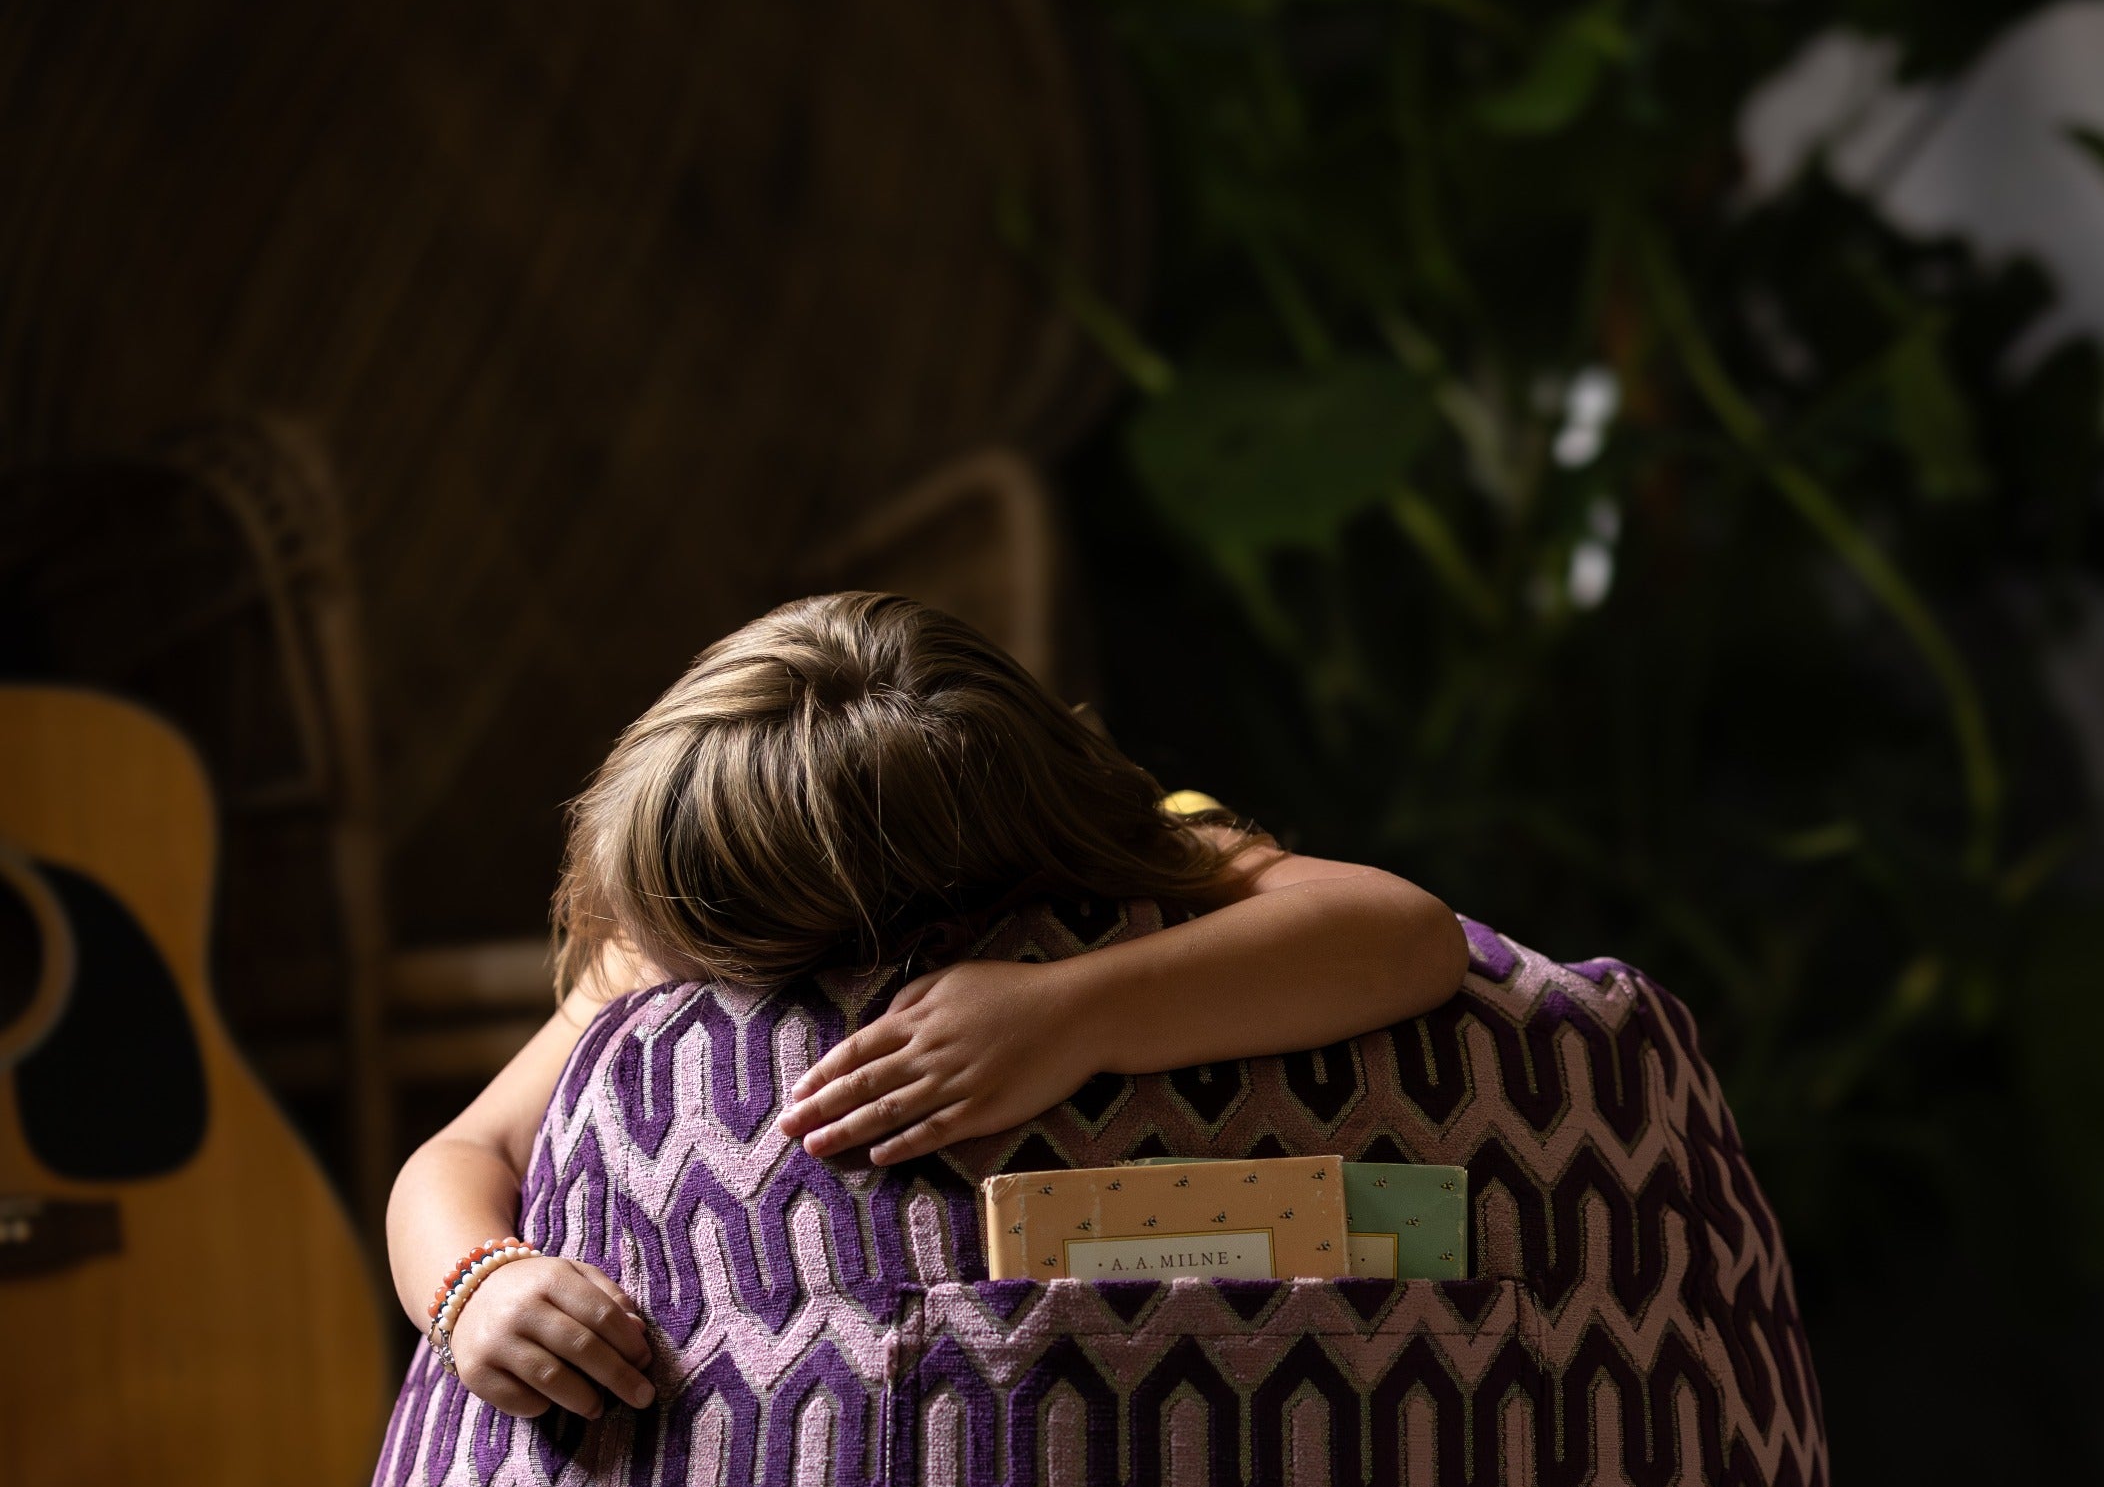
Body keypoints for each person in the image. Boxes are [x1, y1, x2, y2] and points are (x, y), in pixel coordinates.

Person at [385, 591, 1469, 1422]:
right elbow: (465, 1149)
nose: (646, 960)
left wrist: (1075, 1008)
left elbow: (1410, 932)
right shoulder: (658, 932)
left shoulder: (1148, 846)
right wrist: (475, 1283)